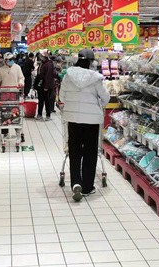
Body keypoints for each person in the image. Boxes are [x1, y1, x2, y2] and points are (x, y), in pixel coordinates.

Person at [59, 49, 110, 202]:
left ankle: (76, 182)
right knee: (90, 152)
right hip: (91, 121)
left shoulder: (68, 76)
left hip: (73, 119)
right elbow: (106, 98)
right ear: (90, 61)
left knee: (74, 151)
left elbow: (62, 96)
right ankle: (87, 187)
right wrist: (98, 103)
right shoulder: (96, 78)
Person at [38, 53, 56, 120]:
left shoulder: (49, 64)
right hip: (42, 85)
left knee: (47, 101)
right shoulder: (43, 63)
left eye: (42, 56)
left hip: (46, 86)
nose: (41, 57)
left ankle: (48, 115)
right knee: (41, 100)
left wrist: (46, 86)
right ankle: (39, 114)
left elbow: (48, 76)